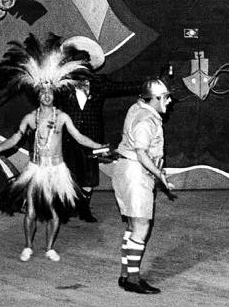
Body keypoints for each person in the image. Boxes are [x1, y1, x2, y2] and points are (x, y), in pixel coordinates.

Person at [0, 34, 109, 263]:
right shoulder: (31, 118)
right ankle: (28, 246)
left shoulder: (62, 117)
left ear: (55, 95)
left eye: (51, 93)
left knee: (53, 211)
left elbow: (79, 137)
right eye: (44, 93)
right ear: (39, 96)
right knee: (31, 210)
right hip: (36, 169)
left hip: (57, 170)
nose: (48, 95)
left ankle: (50, 247)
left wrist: (99, 146)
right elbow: (15, 139)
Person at [59, 36, 166, 223]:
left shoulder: (100, 83)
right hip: (67, 137)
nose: (82, 68)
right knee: (68, 172)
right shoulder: (62, 85)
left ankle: (84, 209)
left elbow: (125, 87)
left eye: (85, 64)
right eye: (77, 63)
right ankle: (67, 208)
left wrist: (152, 85)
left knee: (89, 176)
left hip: (92, 136)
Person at [111, 78, 175, 294]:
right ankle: (134, 280)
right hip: (135, 174)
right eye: (165, 97)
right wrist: (160, 175)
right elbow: (141, 152)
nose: (169, 100)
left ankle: (125, 274)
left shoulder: (137, 107)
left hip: (125, 170)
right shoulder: (147, 120)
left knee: (132, 226)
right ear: (154, 98)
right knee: (141, 226)